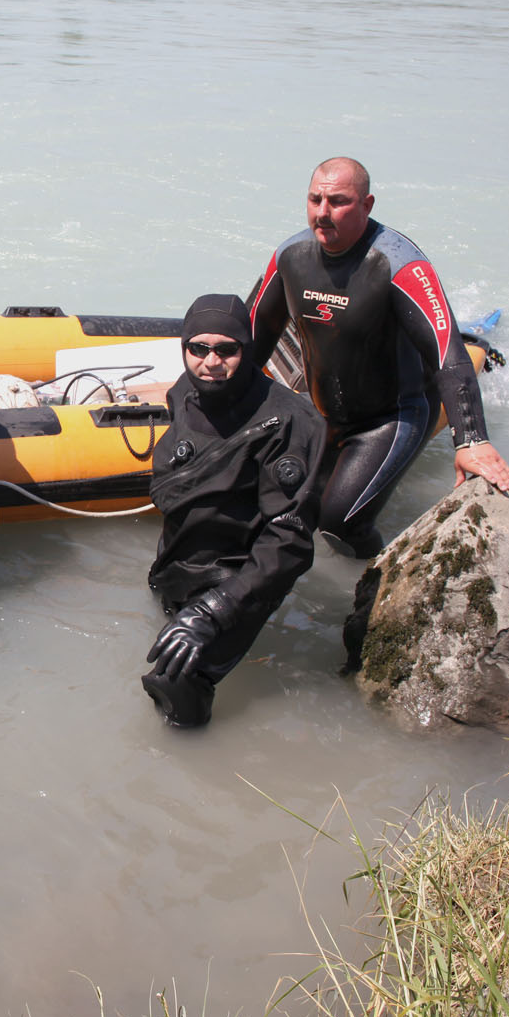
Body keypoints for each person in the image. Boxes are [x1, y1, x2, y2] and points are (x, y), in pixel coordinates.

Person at [245, 157, 509, 558]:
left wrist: (472, 440)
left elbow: (448, 352)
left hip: (392, 417)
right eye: (315, 200)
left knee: (339, 523)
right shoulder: (290, 255)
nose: (323, 212)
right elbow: (253, 338)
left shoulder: (399, 263)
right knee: (285, 509)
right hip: (323, 411)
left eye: (338, 201)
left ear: (367, 204)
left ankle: (376, 580)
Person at [141, 295, 326, 727]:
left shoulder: (290, 422)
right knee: (162, 634)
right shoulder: (184, 392)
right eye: (198, 348)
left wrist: (217, 609)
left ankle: (191, 759)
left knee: (176, 681)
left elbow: (289, 540)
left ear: (247, 349)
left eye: (226, 350)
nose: (211, 362)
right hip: (178, 563)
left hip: (239, 576)